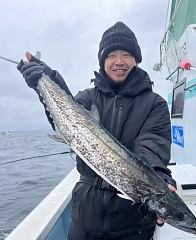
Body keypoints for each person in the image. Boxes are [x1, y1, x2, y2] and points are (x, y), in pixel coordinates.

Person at [17, 21, 176, 240]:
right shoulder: (88, 97)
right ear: (102, 61)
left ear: (137, 60)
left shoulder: (154, 104)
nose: (119, 62)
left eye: (126, 55)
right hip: (84, 219)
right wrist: (45, 80)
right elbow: (66, 120)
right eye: (111, 55)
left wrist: (160, 180)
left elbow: (152, 148)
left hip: (131, 225)